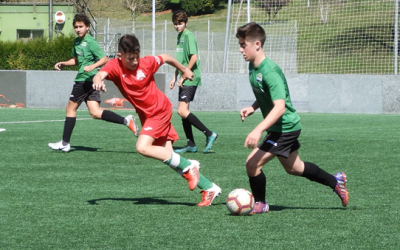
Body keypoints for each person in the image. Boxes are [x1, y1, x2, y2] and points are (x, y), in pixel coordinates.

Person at [92, 34, 221, 206]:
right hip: (147, 115)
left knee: (142, 147)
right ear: (120, 56)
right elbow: (100, 75)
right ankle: (210, 187)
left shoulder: (146, 63)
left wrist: (184, 69)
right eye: (130, 59)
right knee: (170, 158)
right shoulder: (115, 66)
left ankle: (190, 166)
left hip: (159, 110)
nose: (135, 62)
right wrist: (98, 81)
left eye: (137, 57)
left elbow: (166, 58)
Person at [236, 22, 349, 214]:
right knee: (295, 168)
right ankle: (335, 180)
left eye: (243, 45)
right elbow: (266, 94)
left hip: (285, 127)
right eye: (239, 45)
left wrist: (258, 129)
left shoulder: (269, 71)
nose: (240, 50)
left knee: (252, 164)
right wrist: (254, 107)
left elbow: (279, 107)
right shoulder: (253, 68)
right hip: (280, 127)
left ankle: (261, 204)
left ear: (257, 44)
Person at [48, 14, 138, 153]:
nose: (78, 29)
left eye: (81, 26)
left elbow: (104, 59)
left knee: (70, 109)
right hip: (89, 81)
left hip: (85, 79)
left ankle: (65, 143)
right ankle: (126, 121)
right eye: (76, 27)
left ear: (87, 27)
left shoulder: (91, 42)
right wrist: (63, 63)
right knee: (95, 112)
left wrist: (92, 67)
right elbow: (76, 60)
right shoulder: (76, 42)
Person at [169, 10, 218, 153]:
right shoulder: (180, 37)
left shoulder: (189, 36)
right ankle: (191, 144)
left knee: (181, 110)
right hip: (184, 76)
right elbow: (180, 61)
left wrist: (184, 75)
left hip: (191, 77)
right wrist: (174, 76)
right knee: (184, 112)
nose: (177, 26)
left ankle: (209, 134)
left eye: (180, 23)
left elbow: (194, 57)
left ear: (186, 23)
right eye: (175, 24)